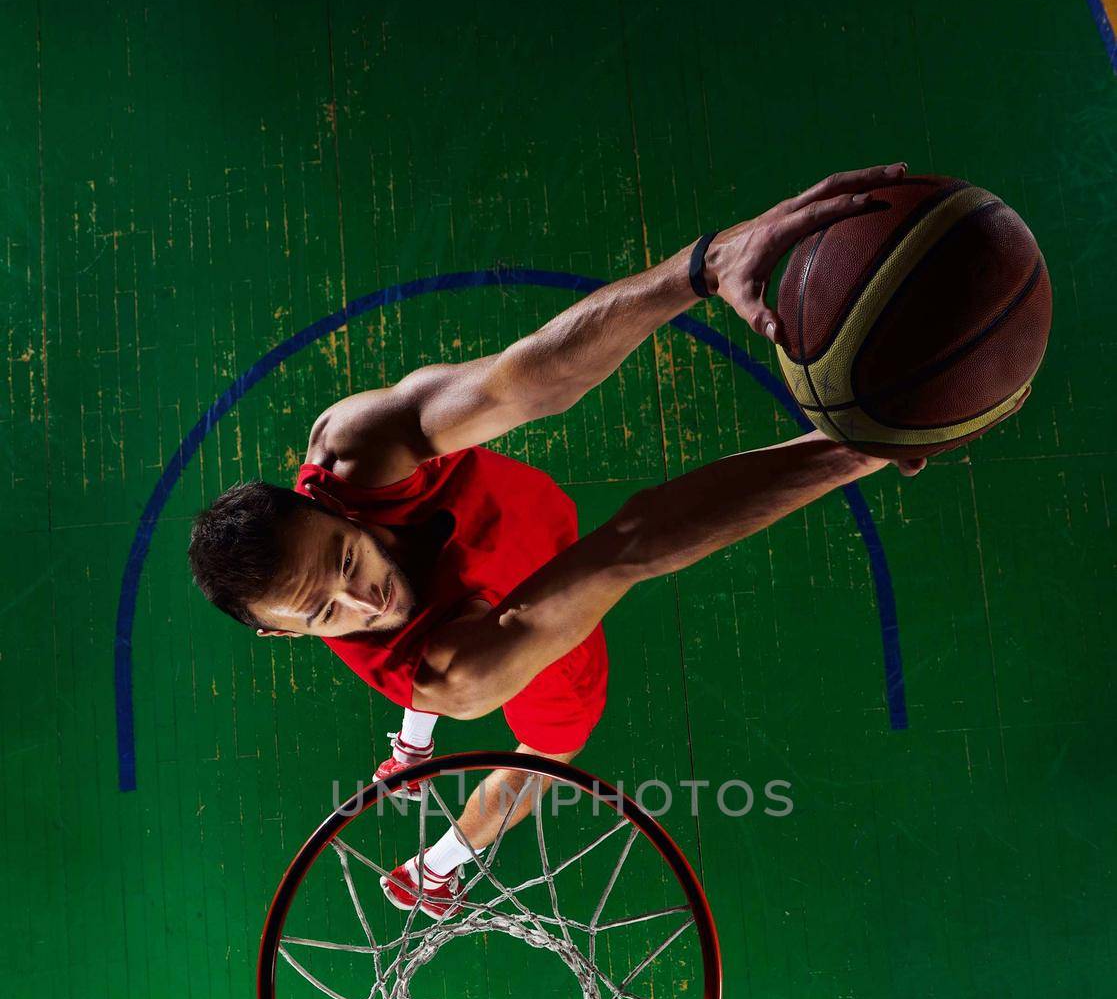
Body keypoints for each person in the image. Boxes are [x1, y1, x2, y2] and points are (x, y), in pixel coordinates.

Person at [189, 163, 937, 920]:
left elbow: (527, 381)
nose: (361, 597)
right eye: (322, 614)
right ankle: (434, 868)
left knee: (427, 628)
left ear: (329, 504)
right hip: (520, 619)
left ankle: (410, 753)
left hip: (516, 526)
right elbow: (629, 546)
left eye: (347, 558)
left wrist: (708, 264)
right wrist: (855, 449)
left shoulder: (358, 449)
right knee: (545, 755)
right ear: (277, 633)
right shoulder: (451, 673)